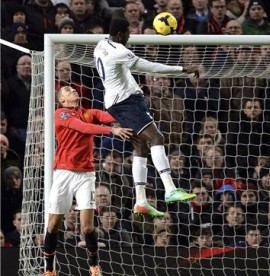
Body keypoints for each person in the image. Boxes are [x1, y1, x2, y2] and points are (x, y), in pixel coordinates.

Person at [93, 17, 199, 218]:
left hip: (117, 101)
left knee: (140, 147)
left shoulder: (100, 45)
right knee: (157, 138)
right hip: (126, 103)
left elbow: (120, 71)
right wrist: (183, 70)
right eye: (127, 33)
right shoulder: (120, 51)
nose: (130, 36)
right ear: (119, 35)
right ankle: (170, 189)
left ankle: (141, 201)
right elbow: (150, 67)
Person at [42, 86, 133, 276]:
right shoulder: (61, 114)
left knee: (88, 226)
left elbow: (107, 116)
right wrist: (112, 131)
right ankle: (49, 269)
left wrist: (131, 107)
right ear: (62, 100)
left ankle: (93, 266)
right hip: (63, 173)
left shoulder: (88, 112)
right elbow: (82, 128)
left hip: (86, 175)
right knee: (53, 225)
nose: (73, 90)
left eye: (74, 89)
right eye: (68, 90)